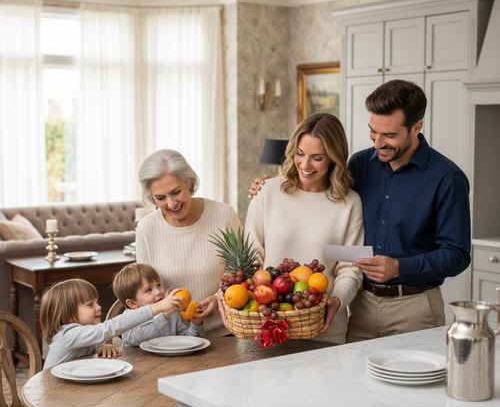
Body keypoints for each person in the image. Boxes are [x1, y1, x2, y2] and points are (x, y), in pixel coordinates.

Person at [250, 79, 471, 343]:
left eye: (389, 135)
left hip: (413, 305)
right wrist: (266, 189)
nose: (378, 143)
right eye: (373, 132)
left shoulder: (447, 178)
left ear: (416, 127)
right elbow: (337, 235)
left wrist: (399, 267)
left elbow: (457, 255)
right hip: (360, 304)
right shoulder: (359, 164)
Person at [31, 278, 184, 407]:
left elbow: (93, 345)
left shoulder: (84, 335)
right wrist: (156, 308)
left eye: (96, 302)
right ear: (67, 315)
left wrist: (106, 346)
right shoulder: (67, 335)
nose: (98, 307)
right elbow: (108, 328)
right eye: (90, 304)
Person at [244, 113, 364, 343]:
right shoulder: (268, 192)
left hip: (324, 326)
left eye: (317, 157)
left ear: (334, 158)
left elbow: (350, 268)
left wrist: (336, 301)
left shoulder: (349, 204)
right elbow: (252, 254)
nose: (305, 164)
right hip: (268, 321)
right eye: (300, 154)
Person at [136, 149, 242, 336]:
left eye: (176, 192)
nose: (171, 204)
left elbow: (244, 271)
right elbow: (143, 291)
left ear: (190, 182)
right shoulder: (146, 228)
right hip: (170, 339)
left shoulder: (223, 215)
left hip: (225, 333)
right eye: (160, 198)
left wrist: (220, 298)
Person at [112, 262, 204, 347]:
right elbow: (132, 339)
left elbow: (189, 342)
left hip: (168, 363)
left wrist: (196, 323)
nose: (158, 292)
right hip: (137, 364)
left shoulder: (172, 316)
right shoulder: (128, 317)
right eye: (148, 290)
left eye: (158, 285)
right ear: (132, 304)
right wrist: (163, 316)